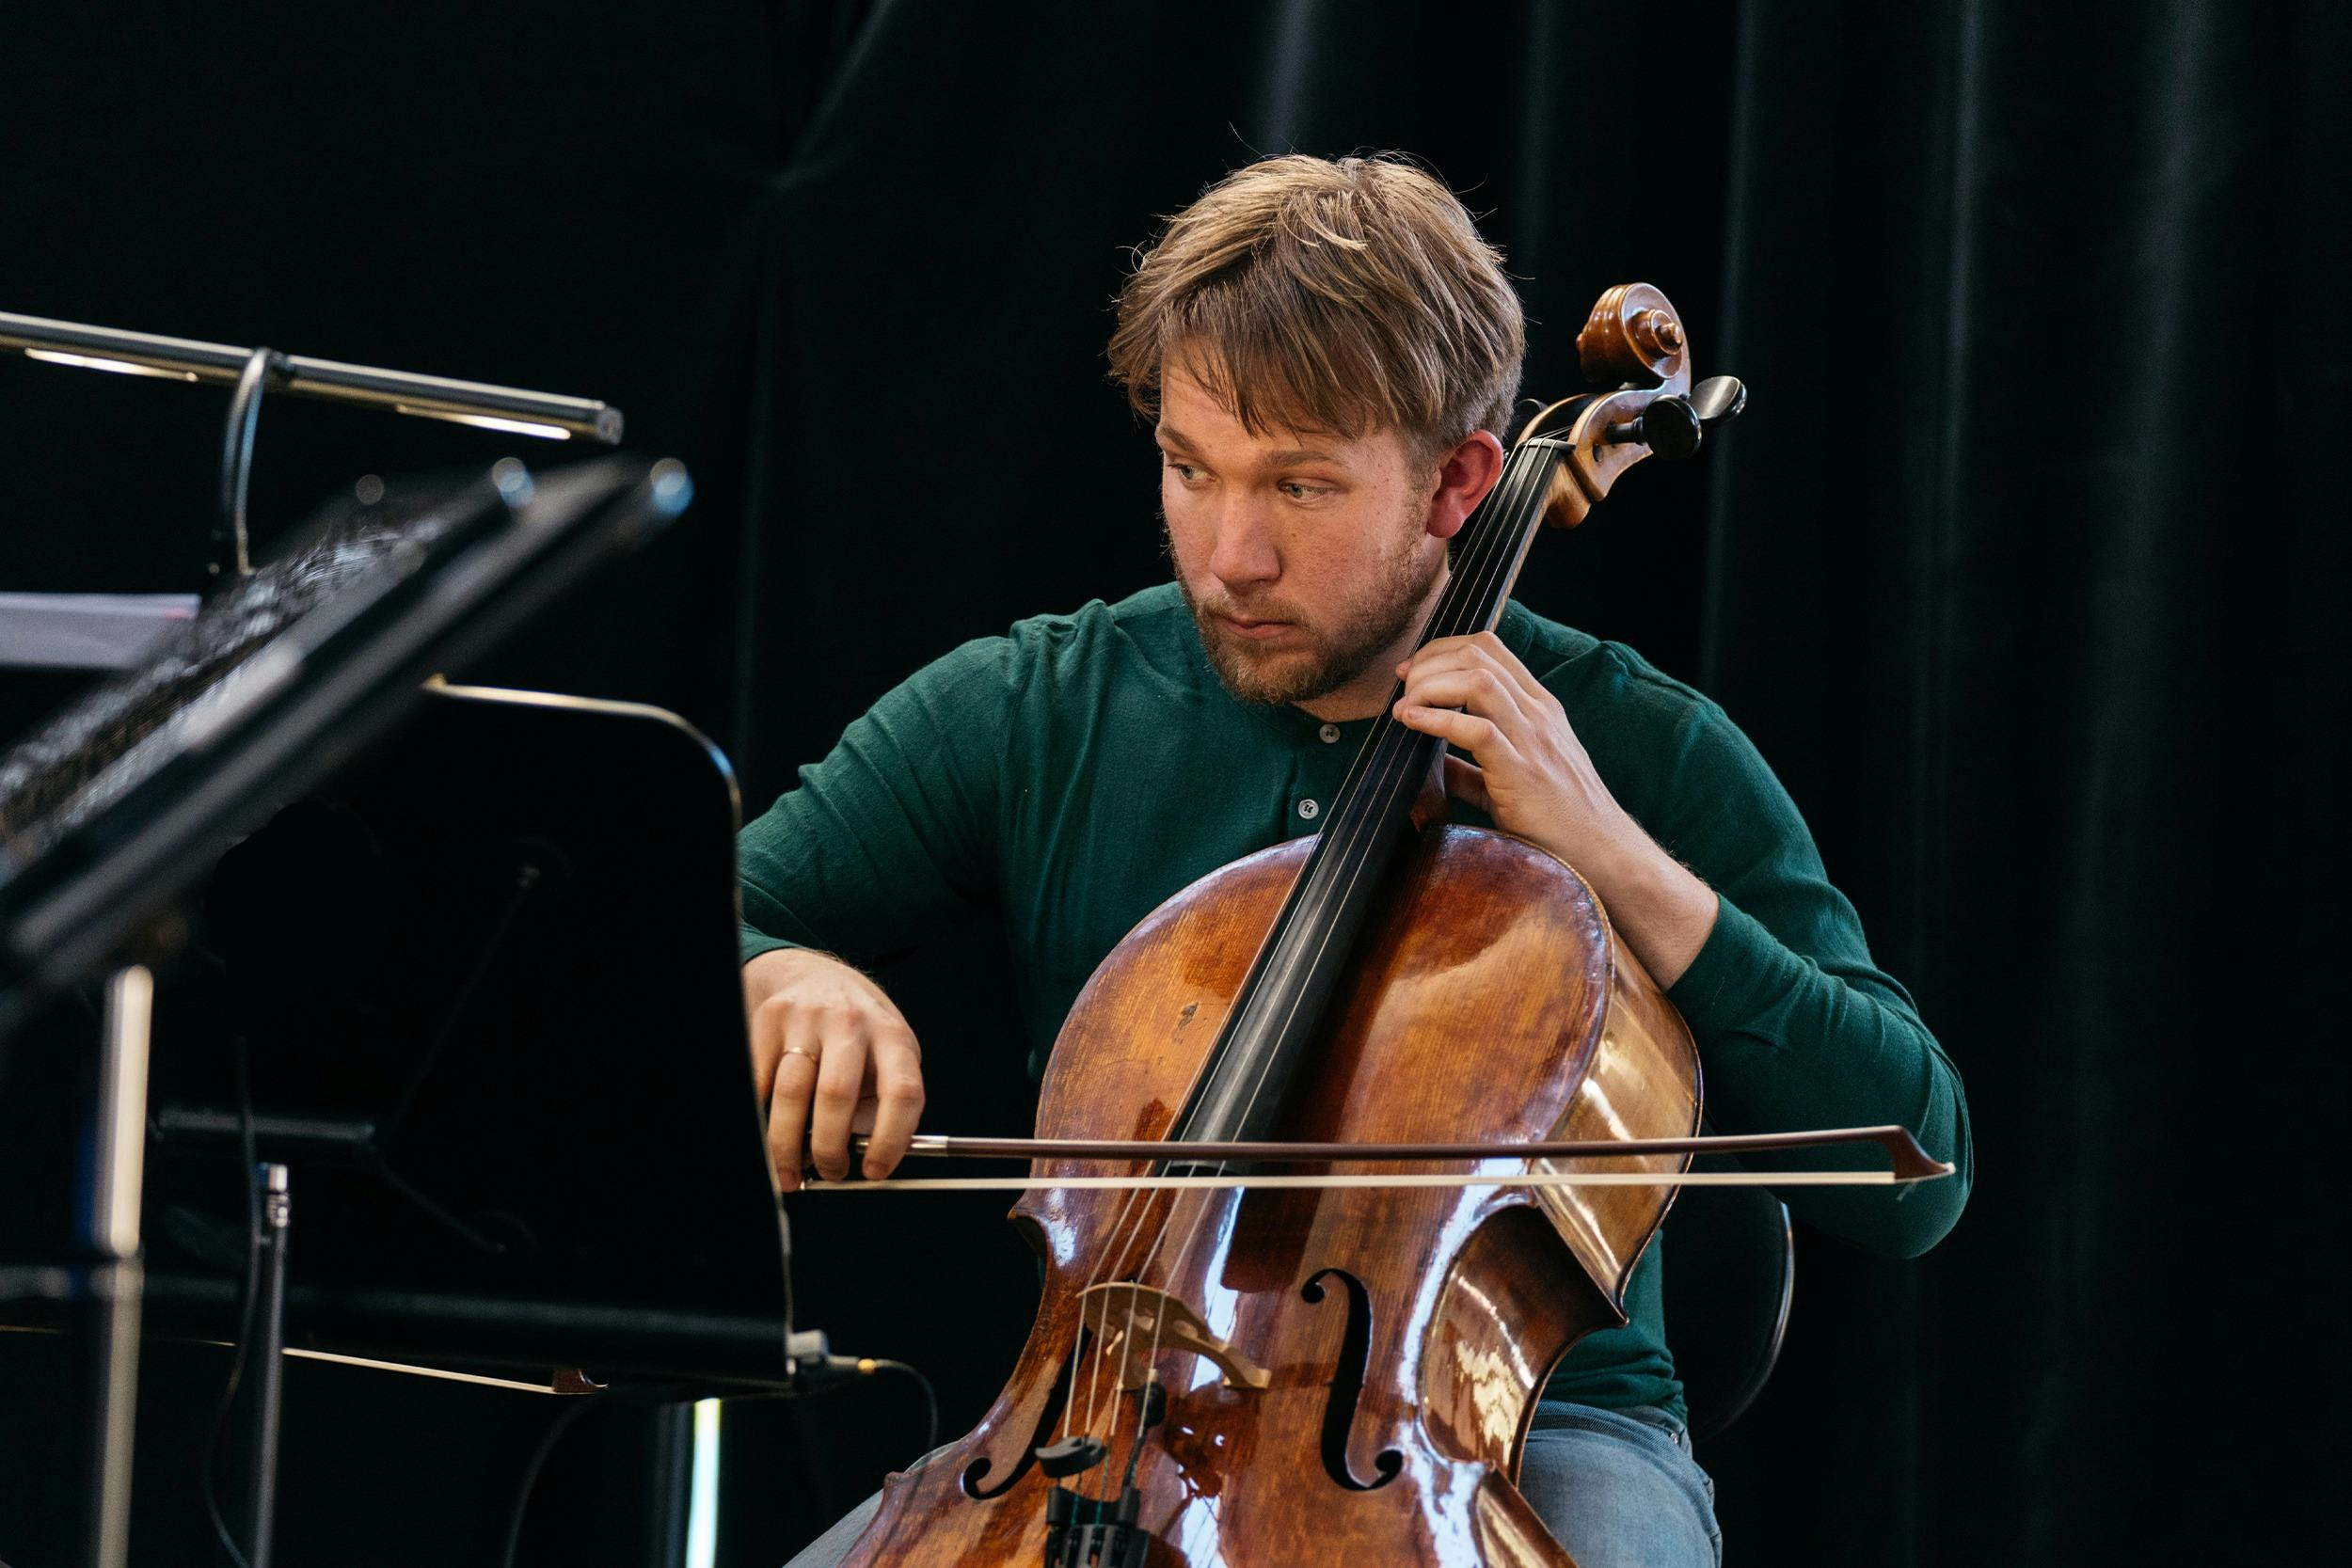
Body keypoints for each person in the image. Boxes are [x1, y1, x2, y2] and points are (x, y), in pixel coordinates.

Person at [738, 152, 1972, 1568]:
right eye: (1189, 469)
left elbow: (1922, 1174)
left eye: (1302, 488)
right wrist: (781, 977)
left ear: (1460, 480)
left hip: (1532, 1439)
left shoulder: (1643, 748)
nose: (1229, 556)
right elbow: (701, 914)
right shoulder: (1046, 702)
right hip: (1089, 1429)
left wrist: (1612, 855)